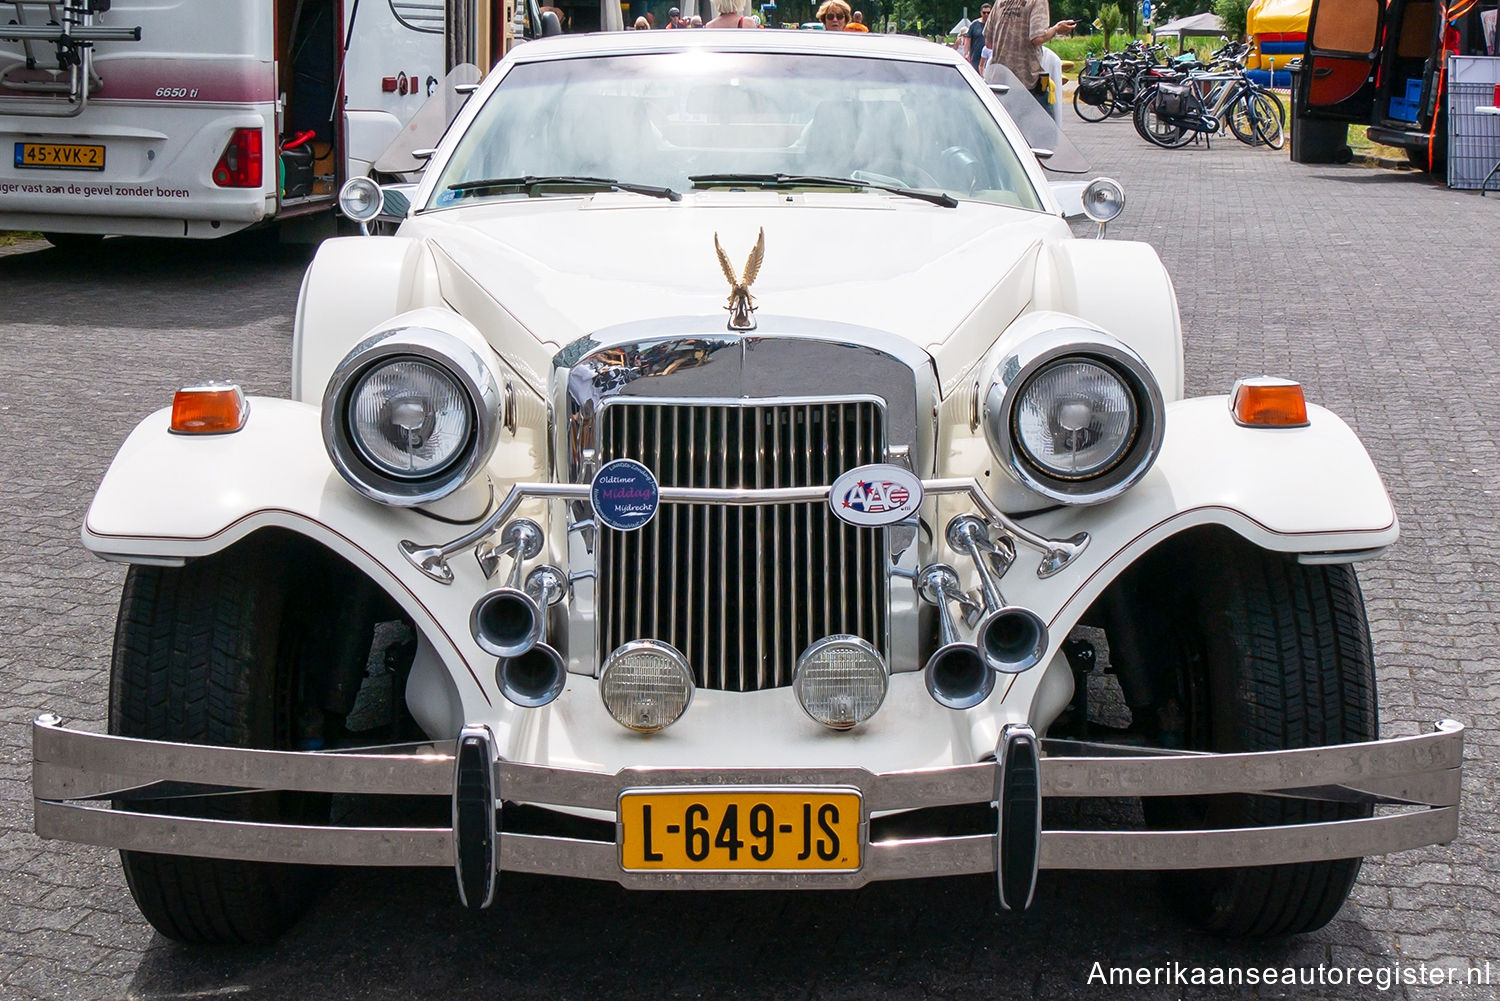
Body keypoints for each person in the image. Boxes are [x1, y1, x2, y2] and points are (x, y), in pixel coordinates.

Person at [984, 0, 1073, 109]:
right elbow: (1037, 38)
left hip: (999, 83)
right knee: (1042, 124)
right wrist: (1056, 29)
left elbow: (988, 43)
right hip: (1026, 82)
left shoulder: (999, 2)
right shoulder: (1038, 1)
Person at [962, 5, 990, 71]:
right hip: (975, 57)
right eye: (984, 12)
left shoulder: (993, 24)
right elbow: (967, 39)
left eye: (988, 13)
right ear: (981, 13)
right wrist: (966, 53)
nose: (986, 14)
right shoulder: (975, 24)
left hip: (988, 57)